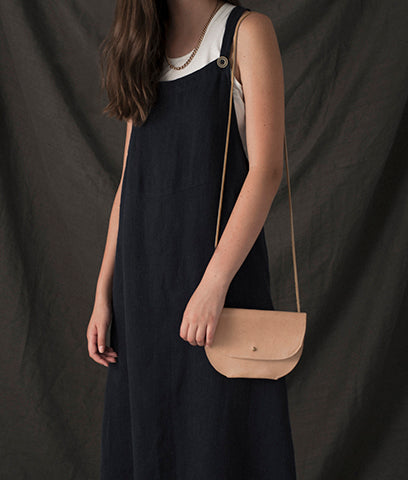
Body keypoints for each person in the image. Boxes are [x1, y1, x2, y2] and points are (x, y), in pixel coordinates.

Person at [86, 1, 297, 478]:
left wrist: (214, 284)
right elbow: (129, 182)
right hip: (140, 299)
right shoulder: (143, 48)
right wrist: (103, 292)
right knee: (151, 450)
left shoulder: (246, 33)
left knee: (220, 450)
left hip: (217, 296)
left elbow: (265, 172)